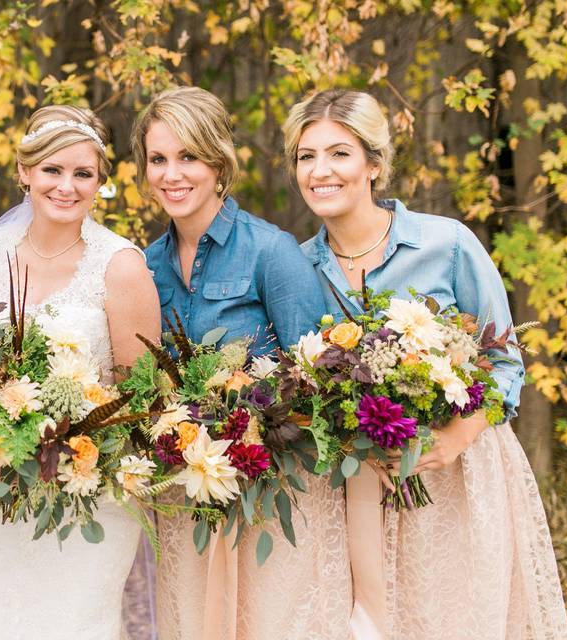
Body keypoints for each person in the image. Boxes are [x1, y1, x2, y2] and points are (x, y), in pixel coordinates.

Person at [287, 88, 567, 639]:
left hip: (453, 479)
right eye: (306, 156)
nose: (320, 171)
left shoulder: (448, 245)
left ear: (374, 163)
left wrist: (455, 440)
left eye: (339, 153)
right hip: (351, 486)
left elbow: (504, 362)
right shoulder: (297, 268)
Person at [132, 86, 352, 640]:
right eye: (158, 159)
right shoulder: (144, 264)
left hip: (269, 493)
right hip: (186, 496)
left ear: (218, 161)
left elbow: (315, 380)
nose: (171, 174)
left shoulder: (270, 251)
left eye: (188, 156)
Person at [0, 104, 161, 639]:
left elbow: (144, 397)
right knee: (1, 614)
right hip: (3, 479)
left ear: (99, 183)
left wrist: (74, 439)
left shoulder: (121, 266)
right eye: (52, 170)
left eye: (83, 174)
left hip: (91, 490)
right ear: (25, 172)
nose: (67, 186)